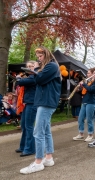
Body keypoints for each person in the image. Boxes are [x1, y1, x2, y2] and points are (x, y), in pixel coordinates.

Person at [20, 46, 61, 174]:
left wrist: (36, 69)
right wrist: (37, 70)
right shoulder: (49, 66)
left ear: (46, 54)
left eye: (40, 56)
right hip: (44, 101)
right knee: (46, 131)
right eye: (37, 57)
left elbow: (39, 79)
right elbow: (38, 80)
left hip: (46, 102)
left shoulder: (51, 66)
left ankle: (38, 162)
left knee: (38, 132)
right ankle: (48, 158)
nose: (39, 58)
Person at [15, 61, 37, 157]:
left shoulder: (35, 77)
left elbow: (22, 82)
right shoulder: (29, 77)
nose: (28, 68)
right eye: (27, 66)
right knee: (24, 125)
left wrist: (19, 78)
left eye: (31, 66)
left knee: (29, 126)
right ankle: (23, 146)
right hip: (27, 103)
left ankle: (30, 149)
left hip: (32, 103)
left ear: (35, 67)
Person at [73, 68, 95, 142]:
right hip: (84, 101)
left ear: (93, 74)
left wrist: (84, 84)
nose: (87, 75)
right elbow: (84, 92)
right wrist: (80, 87)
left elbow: (91, 90)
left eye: (89, 73)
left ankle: (90, 135)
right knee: (80, 118)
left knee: (89, 119)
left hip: (91, 102)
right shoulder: (87, 81)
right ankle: (81, 134)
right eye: (87, 73)